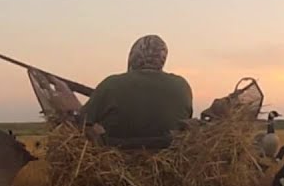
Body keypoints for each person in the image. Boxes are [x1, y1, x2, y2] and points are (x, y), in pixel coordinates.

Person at [29, 35, 194, 146]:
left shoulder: (112, 84)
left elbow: (81, 124)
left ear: (133, 57)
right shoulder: (182, 86)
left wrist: (67, 99)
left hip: (117, 162)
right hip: (165, 165)